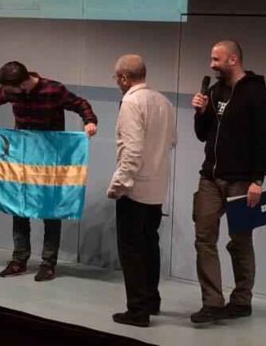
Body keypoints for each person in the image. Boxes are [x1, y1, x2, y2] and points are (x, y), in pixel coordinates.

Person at [0, 61, 98, 282]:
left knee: (50, 210)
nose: (6, 93)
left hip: (50, 159)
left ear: (22, 83)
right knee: (19, 206)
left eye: (10, 89)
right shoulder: (11, 90)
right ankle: (19, 260)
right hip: (22, 158)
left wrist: (89, 121)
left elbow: (80, 103)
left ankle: (48, 264)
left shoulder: (53, 90)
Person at [189, 40, 266, 323]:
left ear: (233, 59)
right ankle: (212, 302)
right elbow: (202, 135)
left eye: (216, 59)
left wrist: (258, 180)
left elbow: (265, 140)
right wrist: (200, 112)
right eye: (211, 59)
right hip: (210, 178)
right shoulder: (215, 91)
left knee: (240, 241)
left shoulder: (256, 92)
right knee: (204, 238)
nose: (211, 64)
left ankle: (241, 300)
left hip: (242, 181)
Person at [106, 54, 176, 327]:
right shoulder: (164, 102)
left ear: (124, 78)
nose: (117, 82)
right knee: (149, 245)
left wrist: (119, 185)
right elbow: (172, 141)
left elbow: (132, 150)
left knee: (131, 250)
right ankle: (151, 300)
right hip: (157, 188)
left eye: (117, 78)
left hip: (134, 189)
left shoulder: (131, 103)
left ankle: (137, 310)